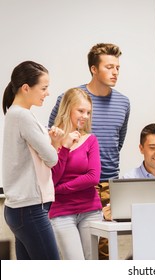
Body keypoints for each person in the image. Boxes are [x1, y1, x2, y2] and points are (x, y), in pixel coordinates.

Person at [48, 43, 130, 259]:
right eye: (109, 67)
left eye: (118, 68)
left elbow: (117, 142)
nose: (115, 72)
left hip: (107, 186)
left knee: (102, 256)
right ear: (94, 69)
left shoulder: (123, 102)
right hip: (66, 195)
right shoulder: (71, 99)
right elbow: (54, 140)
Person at [2, 61, 64, 259]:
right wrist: (55, 142)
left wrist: (51, 141)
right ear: (26, 88)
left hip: (20, 209)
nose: (47, 93)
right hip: (29, 210)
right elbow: (52, 158)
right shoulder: (23, 116)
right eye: (44, 88)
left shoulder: (15, 114)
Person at [49, 88, 102, 260]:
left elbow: (93, 177)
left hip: (91, 210)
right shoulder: (52, 138)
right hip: (61, 212)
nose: (85, 116)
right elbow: (51, 179)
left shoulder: (90, 140)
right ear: (68, 109)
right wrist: (63, 147)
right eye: (81, 111)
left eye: (88, 112)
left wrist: (60, 189)